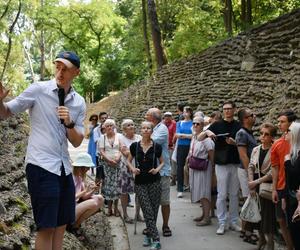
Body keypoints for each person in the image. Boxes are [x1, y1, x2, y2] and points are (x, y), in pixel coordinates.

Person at [0, 51, 85, 250]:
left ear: (77, 73)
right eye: (58, 67)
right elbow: (5, 113)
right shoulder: (38, 90)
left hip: (64, 167)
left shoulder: (78, 102)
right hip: (41, 165)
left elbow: (77, 141)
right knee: (46, 227)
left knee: (61, 225)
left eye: (66, 69)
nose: (60, 72)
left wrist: (69, 123)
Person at [200, 101, 241, 235]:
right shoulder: (217, 125)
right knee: (222, 194)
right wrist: (209, 132)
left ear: (234, 110)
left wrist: (234, 143)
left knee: (234, 194)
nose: (227, 111)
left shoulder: (238, 125)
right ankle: (222, 222)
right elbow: (199, 137)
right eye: (225, 109)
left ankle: (234, 221)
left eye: (229, 108)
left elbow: (244, 144)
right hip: (221, 163)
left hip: (235, 162)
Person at [127, 121, 164, 250]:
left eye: (148, 128)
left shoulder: (157, 146)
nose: (146, 130)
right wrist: (132, 169)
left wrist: (157, 169)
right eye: (143, 128)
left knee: (153, 211)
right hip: (140, 183)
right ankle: (156, 240)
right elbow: (128, 160)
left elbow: (163, 162)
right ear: (140, 130)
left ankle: (148, 235)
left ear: (151, 131)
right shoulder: (134, 146)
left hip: (155, 181)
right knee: (147, 210)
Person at [248, 123, 277, 250]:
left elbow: (272, 173)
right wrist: (251, 184)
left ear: (272, 137)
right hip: (255, 184)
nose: (263, 136)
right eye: (261, 134)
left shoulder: (274, 150)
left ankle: (270, 242)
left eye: (266, 134)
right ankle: (261, 240)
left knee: (268, 216)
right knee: (257, 214)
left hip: (267, 186)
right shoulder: (256, 149)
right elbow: (250, 166)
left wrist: (256, 182)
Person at [145, 108, 172, 237]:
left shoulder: (161, 129)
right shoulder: (152, 129)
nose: (145, 117)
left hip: (162, 171)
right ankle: (151, 226)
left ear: (153, 118)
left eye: (147, 115)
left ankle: (165, 226)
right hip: (150, 171)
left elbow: (150, 144)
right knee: (151, 201)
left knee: (164, 201)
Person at [271, 110, 296, 250]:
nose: (279, 124)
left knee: (294, 220)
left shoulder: (297, 142)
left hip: (295, 188)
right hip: (281, 186)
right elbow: (275, 168)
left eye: (282, 122)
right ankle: (289, 246)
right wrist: (274, 189)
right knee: (281, 219)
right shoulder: (277, 144)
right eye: (278, 121)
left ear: (291, 123)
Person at [236, 108, 257, 243]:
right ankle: (248, 233)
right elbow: (243, 155)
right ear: (245, 119)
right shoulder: (242, 133)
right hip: (245, 171)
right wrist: (251, 176)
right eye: (252, 115)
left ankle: (244, 230)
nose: (254, 117)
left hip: (247, 171)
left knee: (248, 200)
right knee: (250, 200)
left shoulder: (248, 133)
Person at [189, 116, 215, 226]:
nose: (195, 125)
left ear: (202, 125)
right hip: (196, 166)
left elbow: (211, 153)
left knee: (204, 192)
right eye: (194, 123)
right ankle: (204, 214)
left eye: (198, 124)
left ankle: (207, 218)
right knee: (199, 191)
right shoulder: (195, 136)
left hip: (204, 167)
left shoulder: (207, 139)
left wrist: (212, 167)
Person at [72, 153, 104, 233]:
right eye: (87, 168)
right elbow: (70, 198)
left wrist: (93, 190)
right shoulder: (71, 178)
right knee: (93, 203)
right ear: (81, 168)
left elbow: (83, 197)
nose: (88, 170)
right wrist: (85, 190)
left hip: (76, 206)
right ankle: (74, 227)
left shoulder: (79, 178)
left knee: (100, 198)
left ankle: (77, 224)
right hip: (69, 209)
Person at [119, 119, 142, 223]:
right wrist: (137, 151)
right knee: (124, 192)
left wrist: (131, 151)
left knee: (140, 192)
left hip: (139, 167)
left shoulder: (139, 137)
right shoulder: (120, 138)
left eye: (132, 124)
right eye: (128, 125)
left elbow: (144, 151)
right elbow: (124, 153)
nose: (131, 126)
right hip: (125, 167)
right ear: (124, 129)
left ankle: (138, 214)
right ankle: (125, 215)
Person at [98, 119, 122, 216]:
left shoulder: (119, 136)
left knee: (117, 186)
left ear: (114, 127)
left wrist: (117, 158)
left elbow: (122, 149)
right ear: (104, 128)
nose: (109, 127)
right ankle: (109, 208)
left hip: (118, 164)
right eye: (107, 126)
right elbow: (102, 151)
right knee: (108, 187)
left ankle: (116, 208)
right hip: (107, 165)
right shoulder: (102, 138)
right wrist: (109, 160)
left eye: (111, 125)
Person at [284, 122, 300, 249]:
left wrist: (287, 162)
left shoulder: (296, 155)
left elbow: (294, 177)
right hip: (291, 197)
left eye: (289, 130)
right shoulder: (293, 152)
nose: (286, 132)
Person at [174, 106, 193, 198]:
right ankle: (180, 189)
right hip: (181, 146)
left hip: (191, 146)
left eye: (186, 112)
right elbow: (177, 135)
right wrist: (188, 136)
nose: (184, 113)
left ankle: (192, 187)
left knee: (192, 166)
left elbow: (194, 135)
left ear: (190, 113)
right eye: (184, 112)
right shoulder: (179, 123)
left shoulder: (193, 123)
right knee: (179, 167)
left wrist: (183, 135)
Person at [163, 112, 177, 186]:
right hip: (164, 146)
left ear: (171, 117)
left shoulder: (174, 123)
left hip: (171, 146)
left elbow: (175, 133)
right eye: (166, 116)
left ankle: (173, 178)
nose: (167, 117)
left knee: (172, 162)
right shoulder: (162, 124)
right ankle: (167, 177)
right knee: (165, 162)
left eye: (169, 116)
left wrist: (174, 143)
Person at [94, 112, 108, 183]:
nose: (104, 119)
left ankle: (105, 190)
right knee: (99, 174)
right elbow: (96, 141)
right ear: (100, 119)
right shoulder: (96, 130)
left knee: (107, 174)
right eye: (102, 118)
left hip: (109, 155)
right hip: (99, 155)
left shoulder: (112, 128)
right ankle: (96, 190)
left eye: (106, 118)